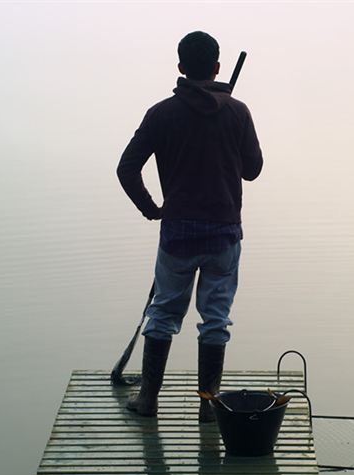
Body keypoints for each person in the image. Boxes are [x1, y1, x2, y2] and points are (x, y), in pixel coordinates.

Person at [117, 30, 263, 422]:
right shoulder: (237, 112)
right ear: (216, 67)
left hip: (178, 234)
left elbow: (127, 169)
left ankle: (148, 401)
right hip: (223, 235)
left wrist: (152, 209)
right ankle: (207, 406)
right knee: (215, 319)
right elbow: (253, 170)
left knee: (163, 313)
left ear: (181, 67)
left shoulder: (161, 113)